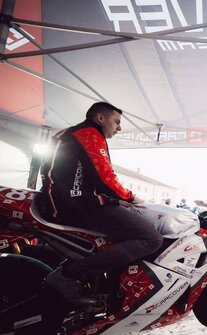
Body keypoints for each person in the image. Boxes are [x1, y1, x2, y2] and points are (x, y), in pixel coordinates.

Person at [40, 102, 163, 306]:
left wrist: (115, 200)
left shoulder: (70, 133)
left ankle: (108, 285)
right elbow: (105, 177)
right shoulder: (89, 134)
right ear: (100, 118)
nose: (119, 128)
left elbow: (80, 177)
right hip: (78, 206)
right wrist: (132, 198)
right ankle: (68, 276)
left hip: (67, 202)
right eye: (116, 122)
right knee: (152, 239)